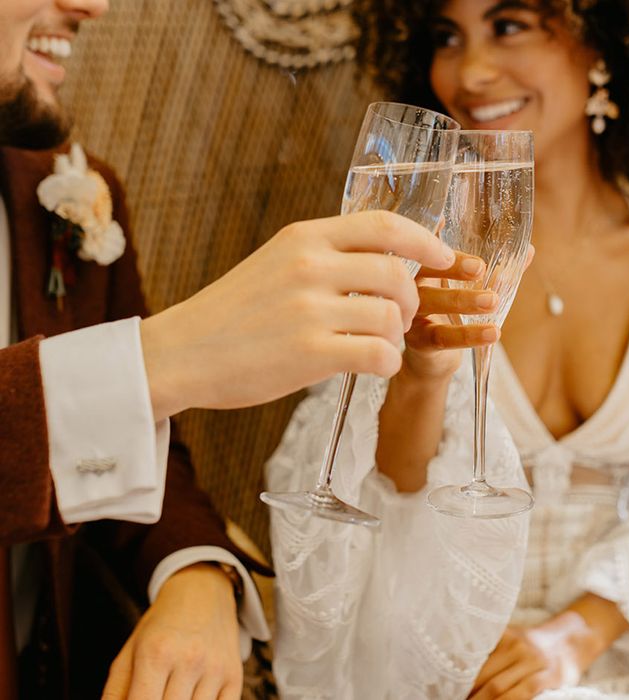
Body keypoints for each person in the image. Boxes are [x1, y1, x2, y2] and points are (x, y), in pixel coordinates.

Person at [266, 0, 629, 698]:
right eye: (447, 36)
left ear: (606, 42)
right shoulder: (410, 241)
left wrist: (572, 637)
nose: (469, 73)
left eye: (508, 26)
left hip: (610, 638)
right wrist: (422, 370)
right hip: (438, 628)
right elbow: (384, 491)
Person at [0, 0, 460, 697]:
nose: (90, 5)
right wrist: (168, 357)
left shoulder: (68, 187)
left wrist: (197, 573)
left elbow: (129, 447)